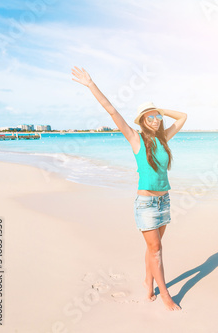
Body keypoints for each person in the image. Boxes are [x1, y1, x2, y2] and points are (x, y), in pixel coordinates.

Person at [71, 66, 187, 311]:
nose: (155, 120)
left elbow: (183, 116)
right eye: (150, 117)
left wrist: (158, 108)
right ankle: (165, 294)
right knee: (156, 250)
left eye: (157, 117)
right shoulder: (135, 138)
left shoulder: (164, 139)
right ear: (142, 121)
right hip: (145, 204)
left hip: (164, 201)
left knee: (152, 248)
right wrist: (91, 84)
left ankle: (148, 283)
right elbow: (112, 110)